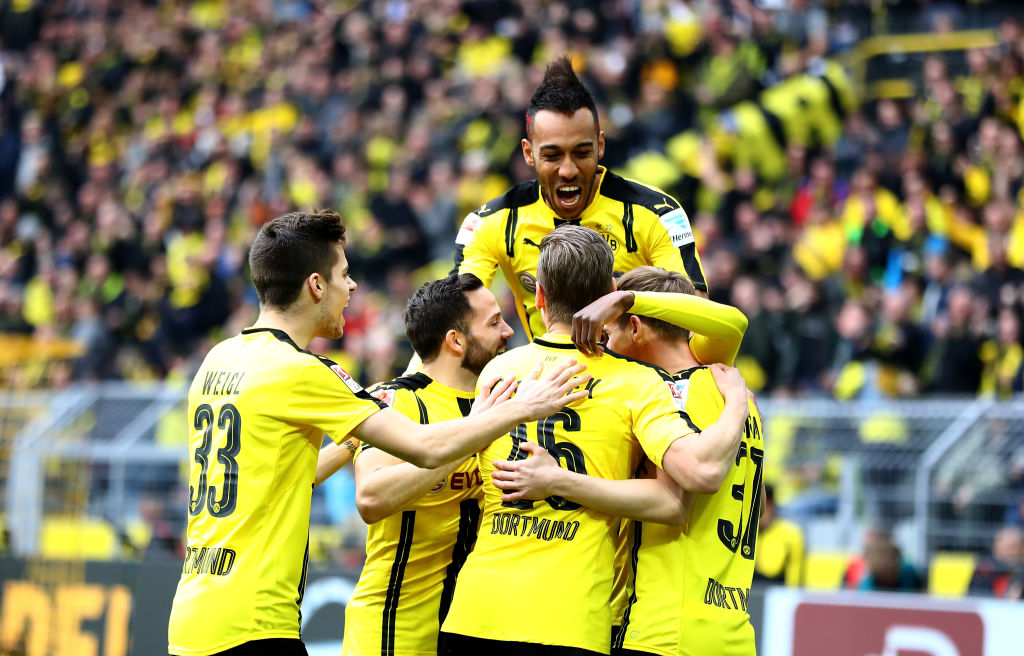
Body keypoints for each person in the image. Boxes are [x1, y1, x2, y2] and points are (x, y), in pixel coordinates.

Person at [166, 210, 589, 656]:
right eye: (344, 275)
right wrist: (523, 407)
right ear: (316, 286)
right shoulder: (301, 371)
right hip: (252, 622)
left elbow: (284, 475)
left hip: (195, 611)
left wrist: (352, 440)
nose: (351, 287)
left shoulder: (220, 358)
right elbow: (424, 448)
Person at [439, 226, 750, 656]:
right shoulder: (640, 383)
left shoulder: (497, 371)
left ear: (540, 297)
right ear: (609, 294)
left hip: (476, 612)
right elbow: (674, 501)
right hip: (570, 620)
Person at [452, 56, 709, 348]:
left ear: (600, 145)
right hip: (547, 374)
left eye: (581, 153)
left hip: (638, 375)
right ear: (528, 153)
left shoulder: (657, 212)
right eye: (552, 155)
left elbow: (700, 313)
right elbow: (457, 315)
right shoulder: (490, 222)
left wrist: (625, 301)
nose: (568, 170)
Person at [338, 274, 513, 656]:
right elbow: (370, 498)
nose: (508, 331)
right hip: (393, 632)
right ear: (456, 341)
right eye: (494, 322)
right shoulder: (396, 402)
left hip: (475, 631)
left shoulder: (505, 401)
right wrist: (470, 439)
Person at [753, 484, 805, 587]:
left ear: (772, 506)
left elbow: (794, 579)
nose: (761, 513)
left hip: (776, 591)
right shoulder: (743, 533)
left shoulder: (790, 534)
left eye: (765, 506)